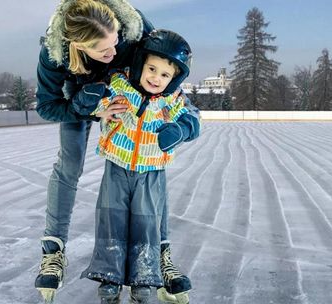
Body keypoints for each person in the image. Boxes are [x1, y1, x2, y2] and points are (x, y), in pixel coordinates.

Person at [34, 1, 196, 303]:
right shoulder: (54, 54)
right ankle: (53, 251)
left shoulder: (133, 27)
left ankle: (161, 255)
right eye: (103, 51)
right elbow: (46, 106)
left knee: (152, 166)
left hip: (128, 93)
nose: (113, 53)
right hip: (80, 99)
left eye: (116, 42)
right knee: (69, 164)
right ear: (77, 46)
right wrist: (92, 110)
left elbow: (168, 73)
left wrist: (185, 121)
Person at [76, 29, 199, 304]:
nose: (156, 78)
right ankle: (109, 276)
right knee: (112, 220)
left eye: (165, 74)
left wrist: (179, 130)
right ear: (141, 64)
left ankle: (144, 277)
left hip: (151, 172)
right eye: (152, 68)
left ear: (174, 78)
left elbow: (194, 121)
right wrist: (90, 98)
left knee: (146, 224)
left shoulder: (172, 101)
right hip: (117, 167)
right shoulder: (121, 87)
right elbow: (95, 103)